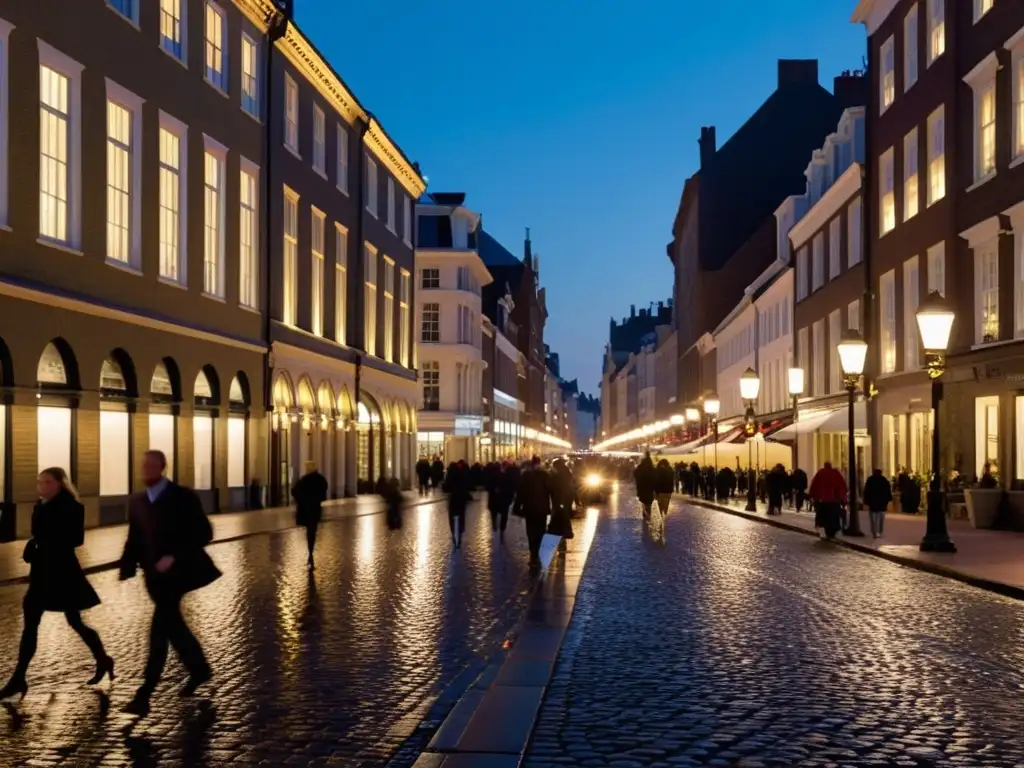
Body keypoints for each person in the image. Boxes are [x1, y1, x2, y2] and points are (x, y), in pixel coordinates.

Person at [119, 450, 220, 716]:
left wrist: (173, 555)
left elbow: (203, 532)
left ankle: (144, 694)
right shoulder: (137, 501)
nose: (147, 469)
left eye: (152, 465)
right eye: (144, 464)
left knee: (159, 631)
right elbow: (135, 536)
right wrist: (127, 565)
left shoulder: (183, 496)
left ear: (162, 467)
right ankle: (199, 670)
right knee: (173, 626)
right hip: (153, 578)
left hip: (178, 575)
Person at [0, 468, 112, 701]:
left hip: (63, 573)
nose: (42, 486)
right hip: (41, 573)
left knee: (76, 622)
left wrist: (46, 541)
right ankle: (18, 678)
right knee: (30, 624)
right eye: (40, 481)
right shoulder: (40, 506)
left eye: (47, 482)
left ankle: (103, 659)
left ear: (60, 483)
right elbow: (37, 533)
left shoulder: (72, 507)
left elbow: (76, 539)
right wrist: (33, 544)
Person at [515, 457, 552, 570]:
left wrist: (517, 507)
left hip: (529, 509)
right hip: (542, 509)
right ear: (540, 463)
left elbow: (520, 493)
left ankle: (533, 555)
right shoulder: (546, 475)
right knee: (541, 530)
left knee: (531, 532)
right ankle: (539, 552)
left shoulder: (526, 476)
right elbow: (550, 491)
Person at [292, 461, 329, 568]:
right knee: (312, 531)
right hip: (314, 509)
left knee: (310, 532)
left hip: (306, 510)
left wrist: (302, 500)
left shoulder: (304, 480)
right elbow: (323, 494)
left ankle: (310, 553)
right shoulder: (320, 480)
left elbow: (295, 492)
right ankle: (310, 553)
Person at [808, 461, 848, 540]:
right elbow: (841, 486)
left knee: (824, 517)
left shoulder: (820, 473)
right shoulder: (835, 473)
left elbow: (814, 485)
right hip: (834, 500)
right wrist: (842, 499)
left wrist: (813, 496)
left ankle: (827, 532)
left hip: (823, 501)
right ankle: (832, 532)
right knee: (833, 517)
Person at [443, 461, 472, 549]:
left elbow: (446, 487)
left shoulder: (450, 475)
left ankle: (454, 533)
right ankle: (460, 530)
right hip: (461, 498)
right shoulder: (462, 474)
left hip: (453, 499)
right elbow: (467, 485)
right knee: (461, 515)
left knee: (452, 517)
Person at [548, 459, 575, 538]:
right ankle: (565, 532)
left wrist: (561, 502)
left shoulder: (558, 476)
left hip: (560, 499)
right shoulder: (566, 473)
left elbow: (557, 488)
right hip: (565, 498)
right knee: (564, 514)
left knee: (560, 514)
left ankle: (558, 532)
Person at [863, 468, 893, 539]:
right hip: (881, 504)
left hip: (873, 504)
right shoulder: (884, 480)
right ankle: (879, 531)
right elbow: (888, 491)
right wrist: (888, 500)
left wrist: (866, 501)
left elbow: (866, 491)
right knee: (881, 519)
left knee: (873, 519)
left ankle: (875, 532)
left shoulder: (870, 480)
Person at [634, 453, 656, 520]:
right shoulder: (652, 468)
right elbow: (655, 477)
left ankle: (645, 513)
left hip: (642, 487)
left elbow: (635, 473)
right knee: (649, 501)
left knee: (644, 501)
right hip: (650, 488)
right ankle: (648, 513)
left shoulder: (640, 468)